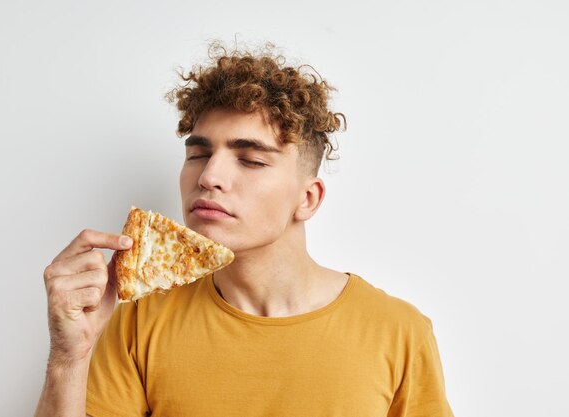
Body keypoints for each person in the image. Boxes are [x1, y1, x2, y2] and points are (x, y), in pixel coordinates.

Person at [35, 42, 454, 417]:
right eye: (198, 154)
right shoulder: (140, 320)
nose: (209, 176)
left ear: (307, 199)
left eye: (251, 160)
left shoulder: (398, 331)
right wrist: (68, 359)